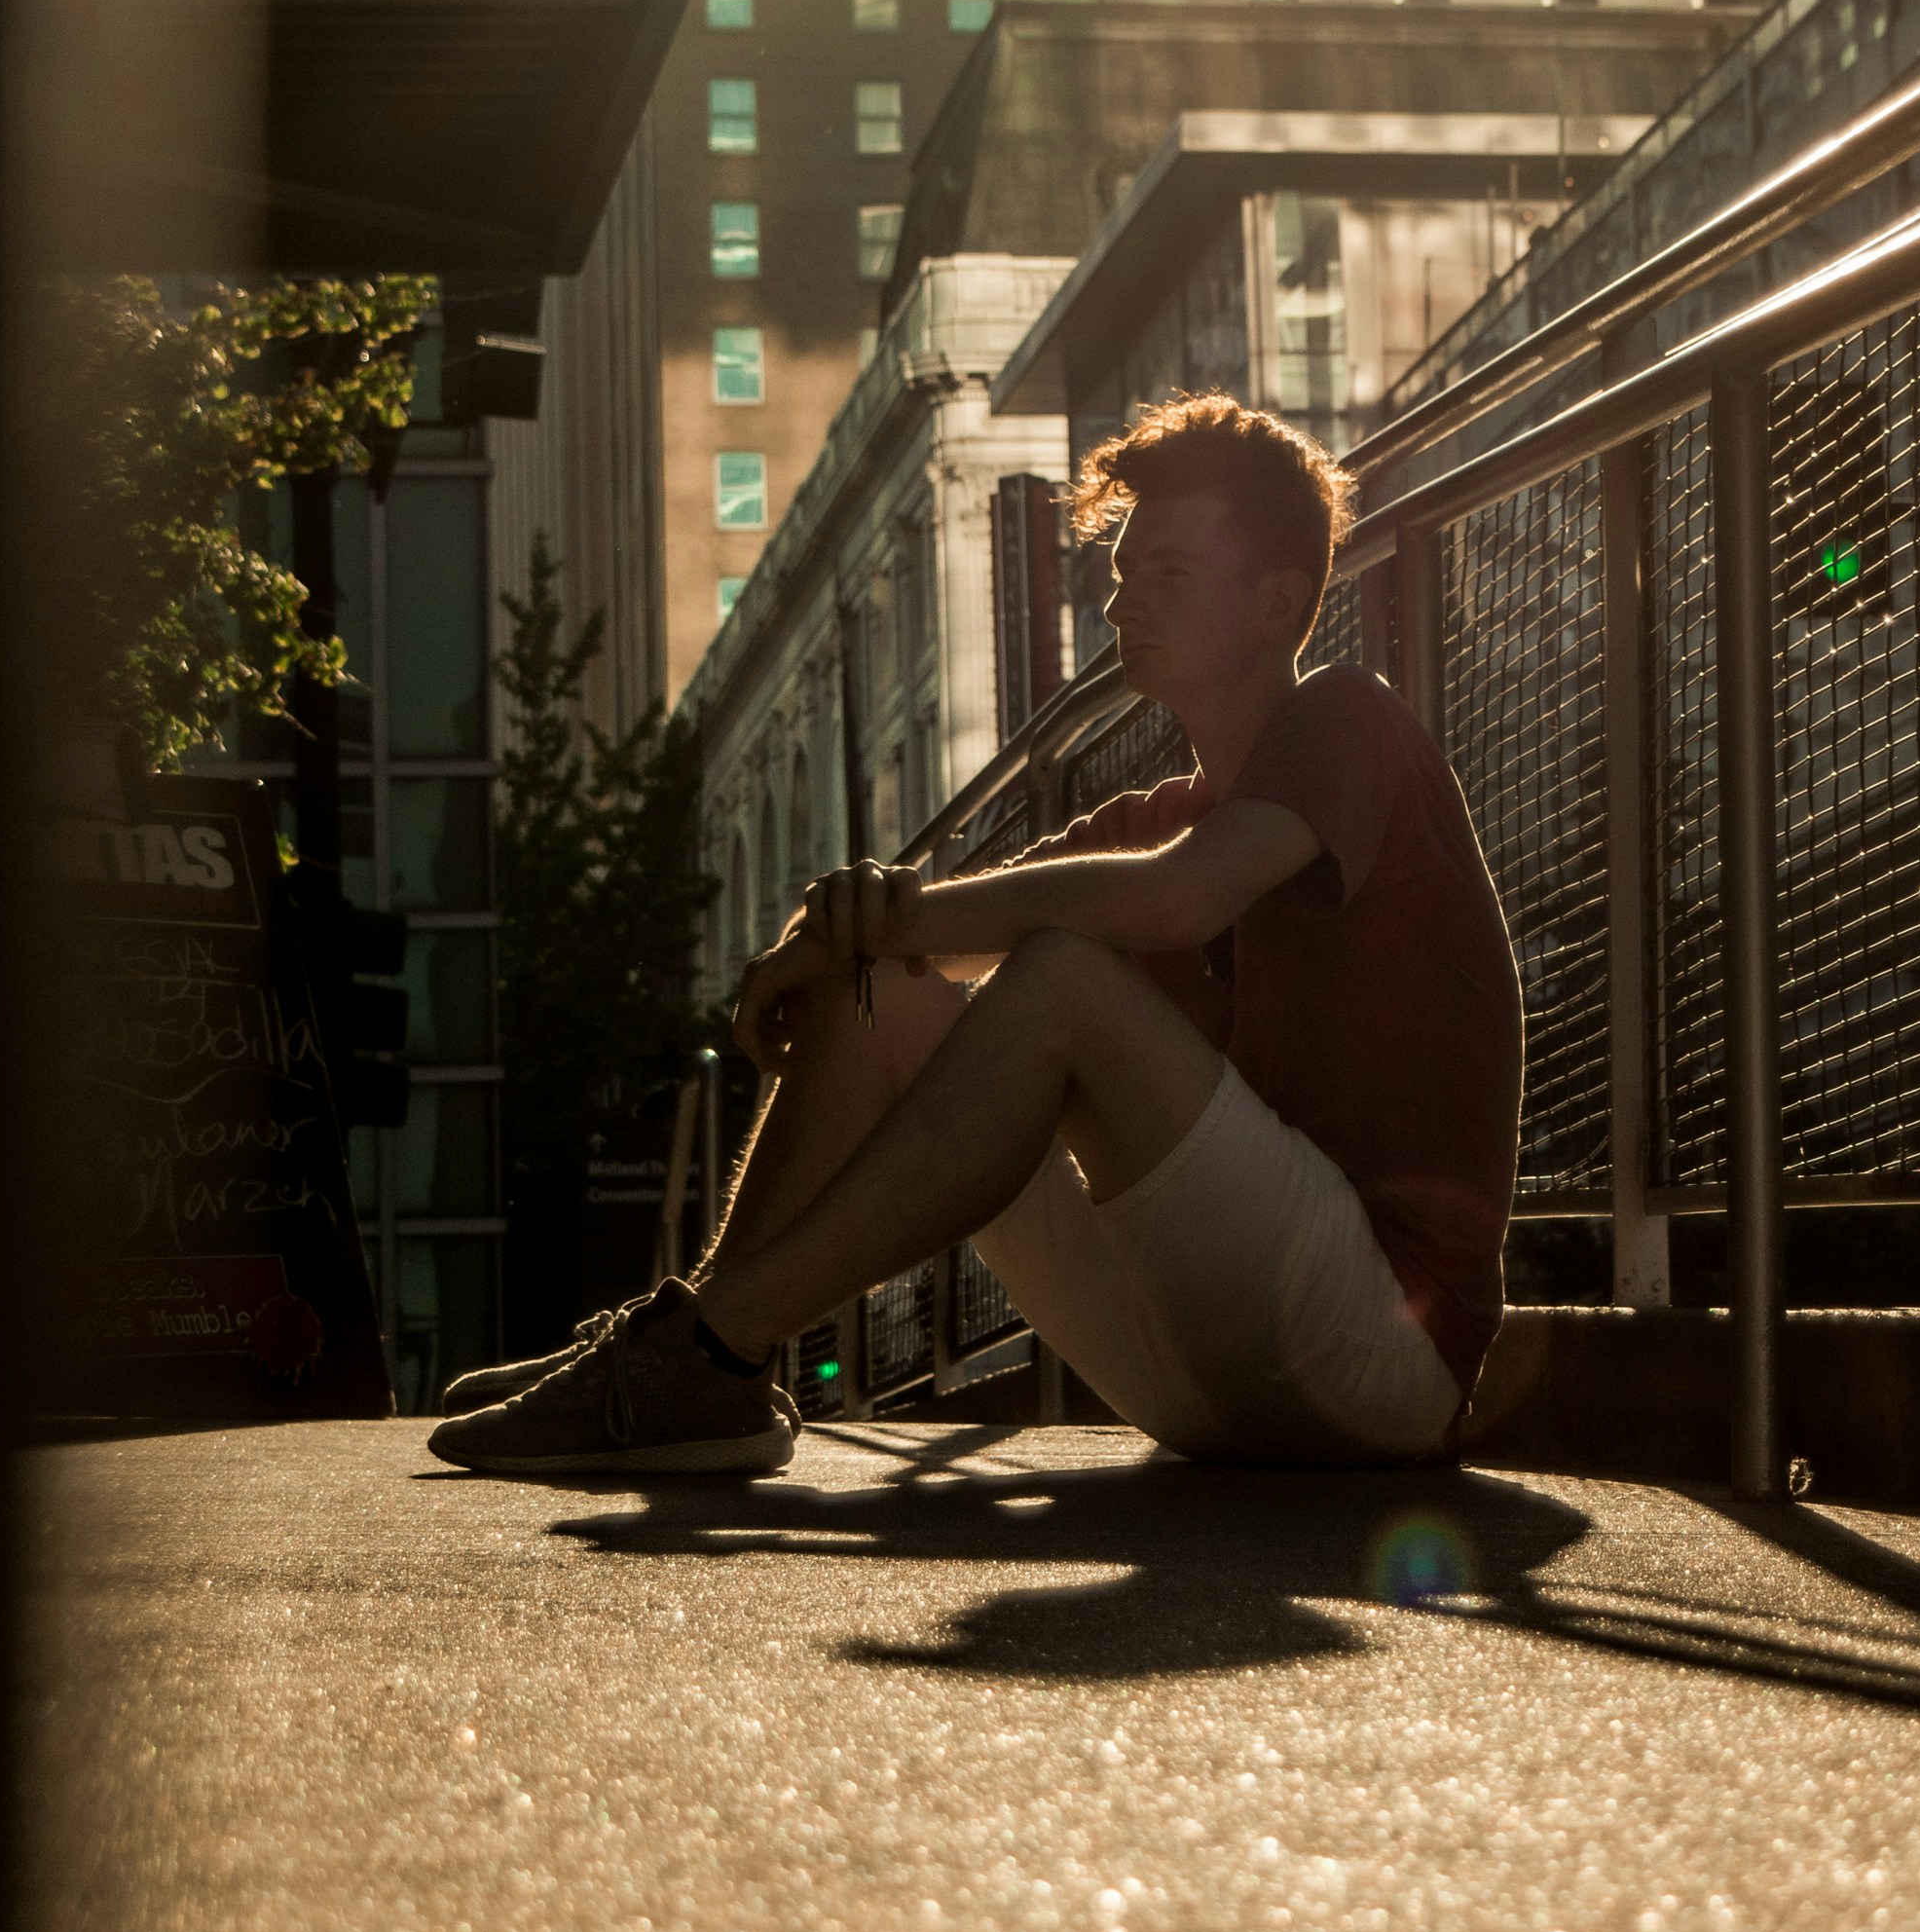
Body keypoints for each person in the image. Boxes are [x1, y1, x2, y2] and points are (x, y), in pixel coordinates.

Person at [430, 392, 1525, 1481]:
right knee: (885, 991)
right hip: (1203, 1379)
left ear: (1279, 603)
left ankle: (712, 1338)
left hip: (1382, 1356)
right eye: (1121, 573)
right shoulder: (1146, 821)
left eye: (1169, 576)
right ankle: (707, 1355)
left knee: (1058, 975)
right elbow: (937, 947)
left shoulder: (1347, 721)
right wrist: (850, 940)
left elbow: (1177, 901)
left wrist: (858, 919)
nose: (1120, 607)